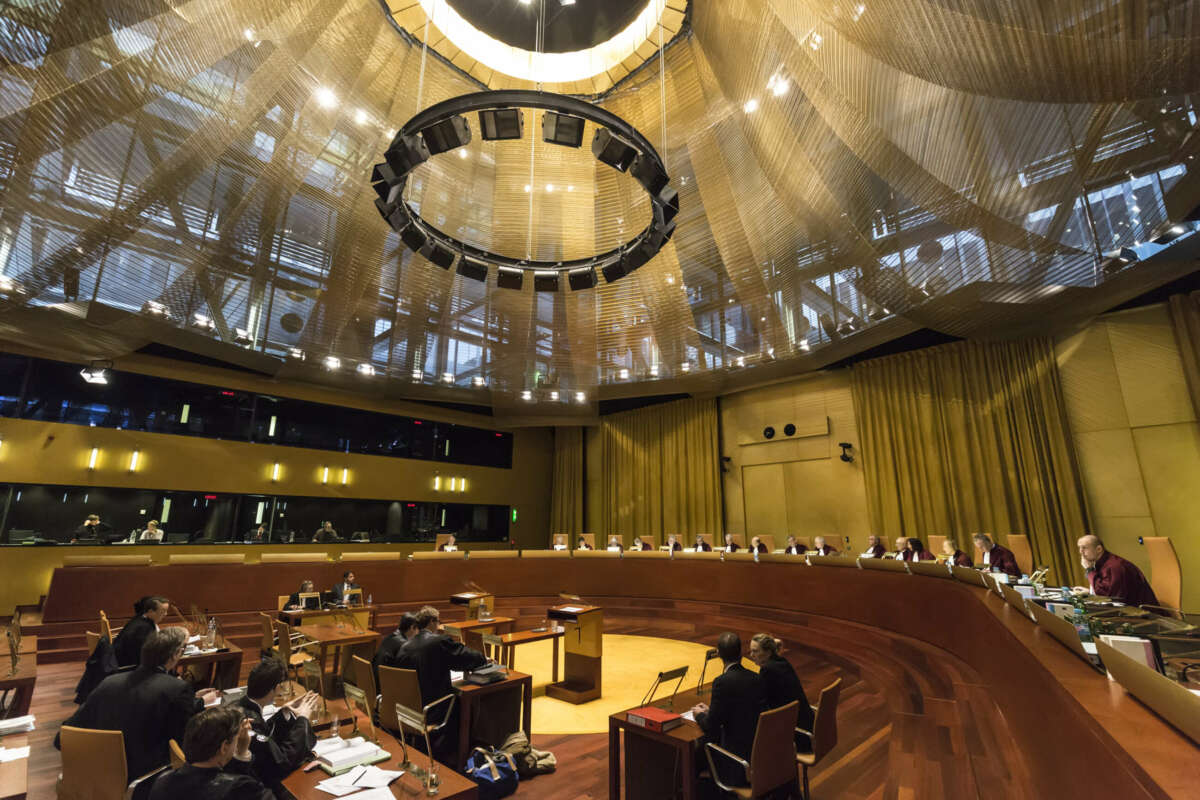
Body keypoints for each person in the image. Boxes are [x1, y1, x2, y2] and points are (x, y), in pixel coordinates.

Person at [60, 628, 216, 796]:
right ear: (175, 655)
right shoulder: (177, 689)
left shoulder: (109, 682)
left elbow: (65, 731)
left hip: (87, 773)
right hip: (140, 778)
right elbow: (183, 741)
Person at [403, 606, 489, 760]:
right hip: (433, 709)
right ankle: (460, 756)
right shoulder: (438, 642)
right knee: (465, 702)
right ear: (431, 622)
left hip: (408, 709)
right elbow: (465, 657)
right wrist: (483, 659)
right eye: (438, 621)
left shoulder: (405, 646)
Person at [689, 632, 765, 788]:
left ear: (719, 654)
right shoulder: (756, 678)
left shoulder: (722, 682)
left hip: (737, 762)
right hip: (761, 755)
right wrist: (713, 710)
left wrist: (700, 715)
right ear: (741, 653)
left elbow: (711, 726)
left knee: (701, 745)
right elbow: (740, 709)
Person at [148, 706, 274, 800]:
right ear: (224, 747)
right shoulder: (241, 788)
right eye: (236, 739)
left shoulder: (161, 782)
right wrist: (243, 752)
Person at [235, 659, 318, 795]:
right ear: (277, 687)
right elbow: (282, 761)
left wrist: (285, 712)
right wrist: (303, 719)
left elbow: (264, 734)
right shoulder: (249, 723)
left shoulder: (240, 705)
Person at [749, 633, 813, 750]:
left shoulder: (767, 670)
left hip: (795, 735)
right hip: (806, 727)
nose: (751, 655)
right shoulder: (782, 662)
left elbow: (760, 701)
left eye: (755, 651)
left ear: (768, 652)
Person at [1077, 535, 1158, 606]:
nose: (1080, 552)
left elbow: (1110, 598)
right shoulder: (1103, 563)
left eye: (1084, 548)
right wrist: (1090, 592)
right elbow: (1109, 590)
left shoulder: (1115, 566)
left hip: (1143, 614)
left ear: (1099, 549)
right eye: (1079, 548)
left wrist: (1089, 570)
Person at [113, 595, 169, 668]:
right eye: (163, 611)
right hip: (127, 668)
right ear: (151, 611)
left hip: (123, 662)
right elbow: (145, 656)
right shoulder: (144, 629)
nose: (165, 614)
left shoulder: (140, 619)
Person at [372, 612, 420, 686]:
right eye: (418, 629)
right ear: (412, 627)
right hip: (386, 687)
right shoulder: (404, 645)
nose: (419, 633)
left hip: (375, 682)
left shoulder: (389, 637)